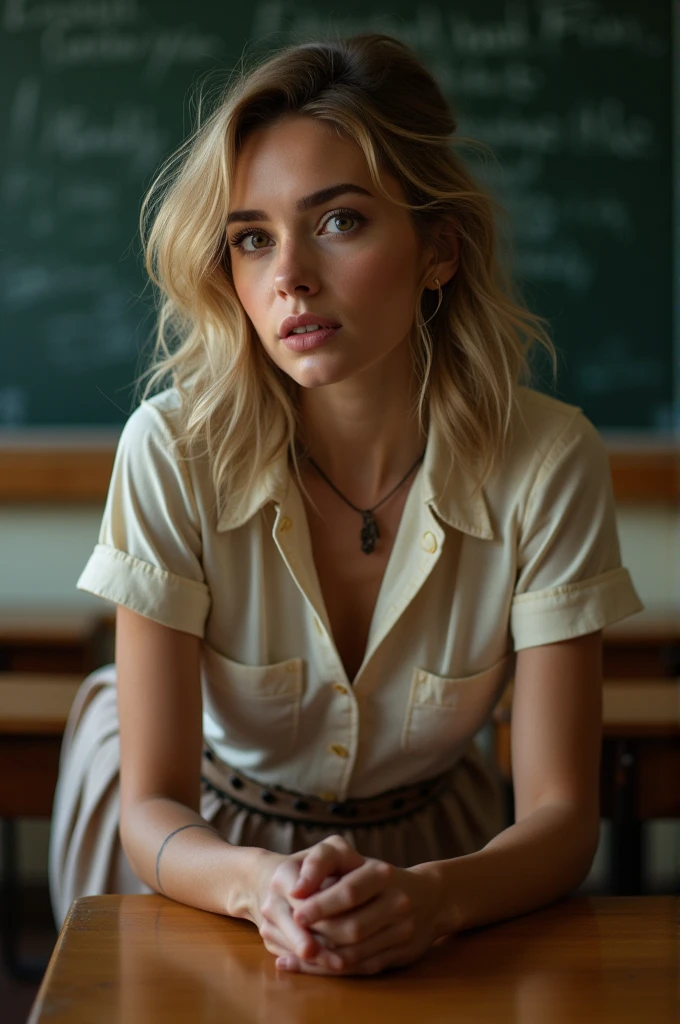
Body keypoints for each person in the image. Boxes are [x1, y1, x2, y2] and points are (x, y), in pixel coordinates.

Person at [48, 33, 643, 976]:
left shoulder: (549, 460)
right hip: (193, 858)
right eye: (252, 238)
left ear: (439, 248)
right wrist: (260, 886)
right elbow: (152, 805)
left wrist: (436, 897)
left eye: (339, 222)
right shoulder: (169, 449)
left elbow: (564, 819)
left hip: (437, 853)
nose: (289, 275)